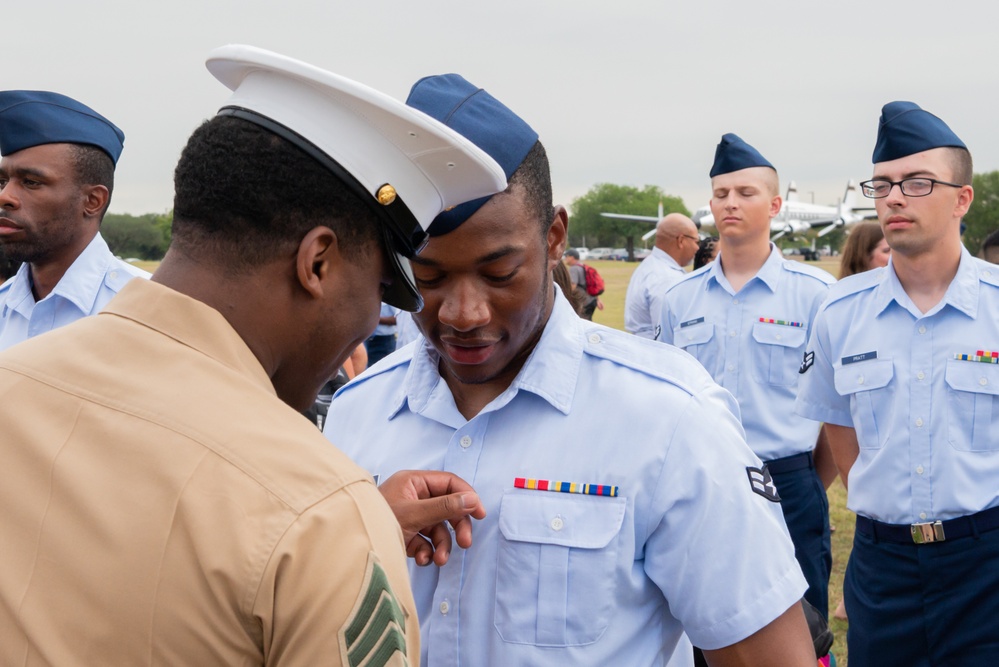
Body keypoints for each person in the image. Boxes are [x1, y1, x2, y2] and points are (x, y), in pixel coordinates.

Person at [0, 45, 505, 664]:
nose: (368, 323)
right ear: (317, 262)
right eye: (379, 291)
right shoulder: (321, 514)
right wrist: (342, 536)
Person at [325, 73, 816, 666]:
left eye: (500, 272)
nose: (463, 313)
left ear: (554, 236)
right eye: (427, 278)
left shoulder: (667, 419)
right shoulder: (357, 414)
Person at [796, 101, 999, 666]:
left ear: (962, 198)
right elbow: (838, 425)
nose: (893, 197)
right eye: (882, 184)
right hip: (881, 568)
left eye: (916, 182)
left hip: (987, 565)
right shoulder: (839, 311)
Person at [658, 134, 837, 626]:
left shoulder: (817, 296)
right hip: (701, 485)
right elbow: (662, 402)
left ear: (776, 204)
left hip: (789, 483)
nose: (729, 203)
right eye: (720, 194)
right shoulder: (680, 299)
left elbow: (837, 413)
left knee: (804, 630)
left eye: (745, 192)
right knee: (703, 627)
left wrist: (803, 485)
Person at [0, 91, 149, 351]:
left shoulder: (147, 310)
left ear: (93, 201)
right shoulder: (3, 305)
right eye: (2, 182)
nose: (5, 197)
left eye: (31, 182)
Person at [624, 212, 699, 338]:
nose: (697, 248)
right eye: (696, 241)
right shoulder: (666, 278)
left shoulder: (651, 266)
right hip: (659, 353)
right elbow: (667, 333)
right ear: (681, 240)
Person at [563, 247, 601, 319]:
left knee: (583, 323)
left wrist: (566, 297)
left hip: (584, 301)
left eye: (567, 256)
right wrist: (598, 299)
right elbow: (591, 284)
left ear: (572, 257)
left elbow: (573, 285)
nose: (565, 258)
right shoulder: (583, 266)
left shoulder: (574, 268)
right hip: (592, 300)